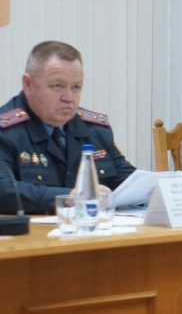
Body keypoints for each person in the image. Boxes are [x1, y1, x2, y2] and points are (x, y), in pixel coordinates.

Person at [0, 41, 136, 214]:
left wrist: (158, 186)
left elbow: (126, 178)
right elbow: (3, 190)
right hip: (32, 230)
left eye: (76, 87)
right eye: (57, 86)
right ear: (28, 84)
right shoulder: (6, 132)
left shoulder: (93, 129)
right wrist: (68, 197)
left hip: (90, 227)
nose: (69, 98)